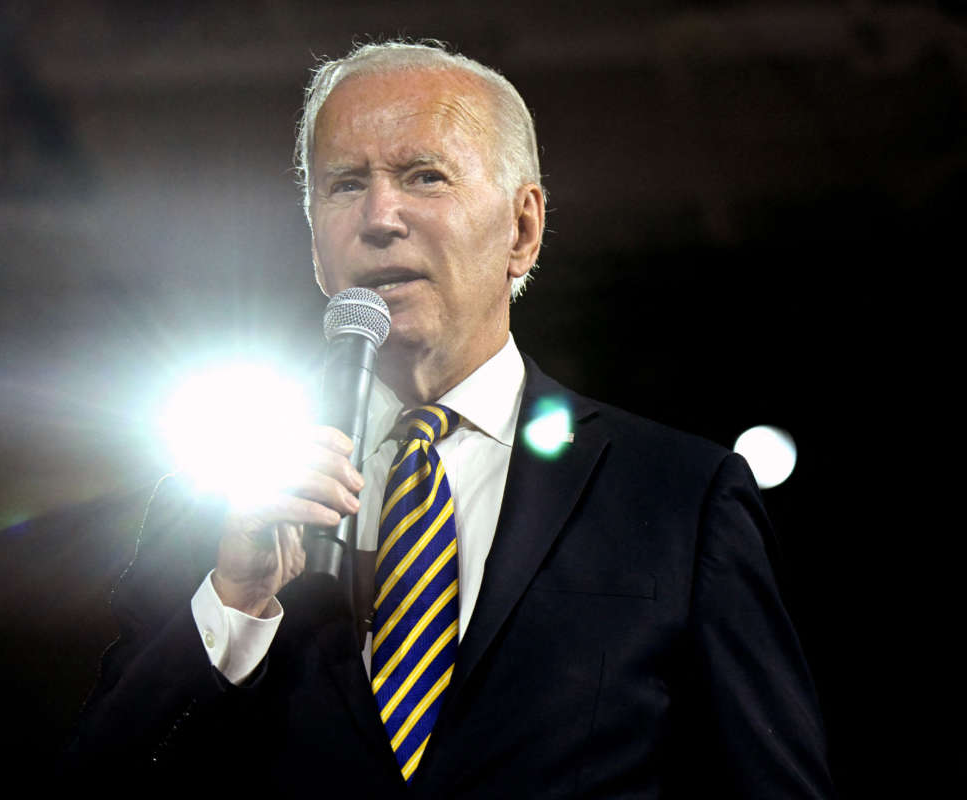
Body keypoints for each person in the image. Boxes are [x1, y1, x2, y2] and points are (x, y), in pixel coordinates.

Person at [67, 41, 835, 798]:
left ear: (522, 230)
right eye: (343, 185)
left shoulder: (678, 497)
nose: (378, 216)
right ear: (313, 244)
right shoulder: (215, 506)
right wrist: (234, 604)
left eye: (423, 176)